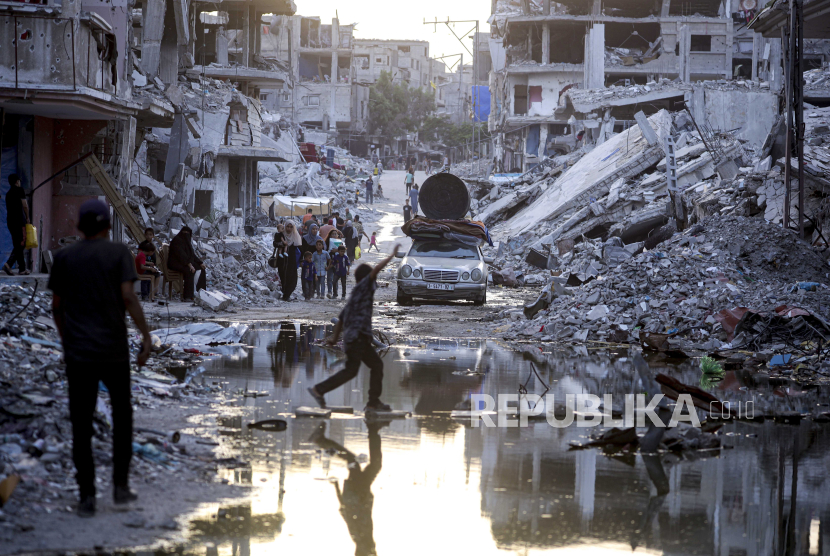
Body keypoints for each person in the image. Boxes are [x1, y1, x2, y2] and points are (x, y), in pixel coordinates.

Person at [49, 199, 152, 517]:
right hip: (113, 353)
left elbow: (56, 305)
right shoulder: (119, 253)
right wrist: (146, 337)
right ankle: (120, 488)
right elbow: (128, 296)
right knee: (122, 419)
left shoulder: (64, 257)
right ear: (108, 226)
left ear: (80, 227)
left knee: (81, 425)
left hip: (79, 355)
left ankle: (87, 498)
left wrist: (68, 342)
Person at [308, 244, 401, 411]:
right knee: (373, 366)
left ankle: (320, 390)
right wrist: (391, 255)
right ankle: (372, 403)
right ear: (367, 279)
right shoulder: (364, 287)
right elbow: (376, 271)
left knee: (357, 369)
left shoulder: (355, 294)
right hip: (358, 338)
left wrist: (334, 339)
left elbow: (342, 318)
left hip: (354, 338)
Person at [309, 421, 383, 556]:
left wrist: (338, 488)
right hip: (360, 491)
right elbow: (343, 510)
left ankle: (320, 440)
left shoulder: (360, 537)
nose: (375, 551)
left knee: (355, 461)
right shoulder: (359, 537)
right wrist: (337, 487)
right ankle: (374, 430)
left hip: (357, 491)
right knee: (373, 464)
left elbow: (346, 510)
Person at [168, 226, 207, 302]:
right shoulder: (177, 241)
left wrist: (200, 263)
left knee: (201, 269)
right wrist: (189, 265)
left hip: (184, 262)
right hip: (175, 263)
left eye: (188, 234)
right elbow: (181, 255)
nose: (186, 235)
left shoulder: (187, 243)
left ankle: (201, 293)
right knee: (189, 270)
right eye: (184, 233)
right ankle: (188, 296)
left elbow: (192, 255)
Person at [3, 174, 30, 276]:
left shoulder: (8, 194)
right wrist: (27, 217)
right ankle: (9, 264)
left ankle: (21, 269)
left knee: (17, 244)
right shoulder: (20, 190)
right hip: (19, 222)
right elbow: (25, 206)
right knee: (21, 243)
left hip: (10, 222)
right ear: (17, 181)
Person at [277, 221, 302, 301]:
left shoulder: (295, 236)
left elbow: (300, 248)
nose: (289, 229)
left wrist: (300, 260)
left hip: (292, 261)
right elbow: (275, 243)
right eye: (288, 227)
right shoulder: (281, 235)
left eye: (291, 227)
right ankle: (285, 294)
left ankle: (287, 294)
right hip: (282, 260)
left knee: (292, 278)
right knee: (283, 276)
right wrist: (282, 244)